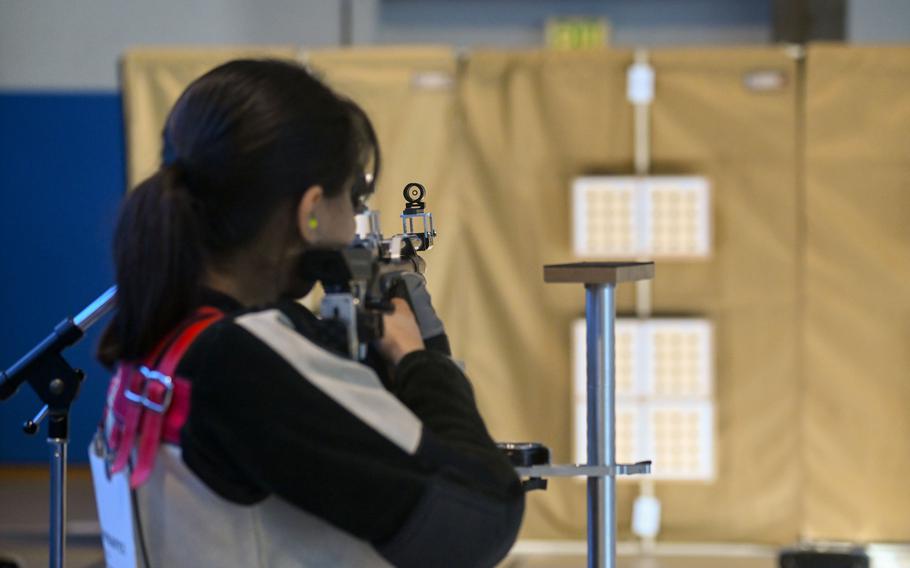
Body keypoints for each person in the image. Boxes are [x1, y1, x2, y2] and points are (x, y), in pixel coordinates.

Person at [96, 59, 524, 567]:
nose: (354, 223)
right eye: (353, 198)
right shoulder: (239, 360)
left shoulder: (166, 336)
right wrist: (417, 359)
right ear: (312, 210)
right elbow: (478, 516)